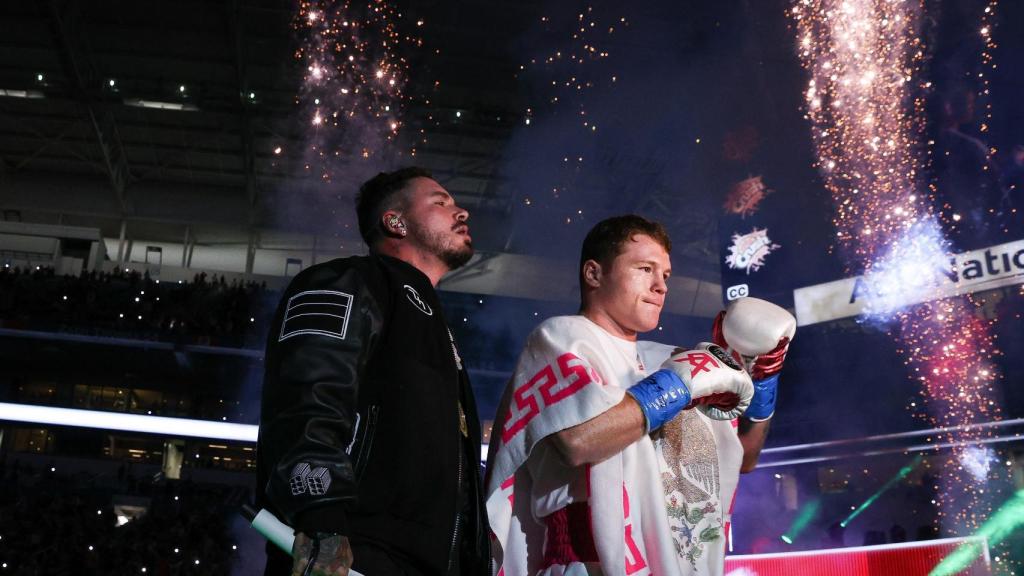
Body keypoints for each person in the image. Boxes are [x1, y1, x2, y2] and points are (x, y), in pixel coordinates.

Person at [485, 215, 793, 576]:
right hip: (587, 564)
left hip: (670, 561)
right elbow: (578, 440)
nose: (660, 286)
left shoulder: (668, 359)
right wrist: (678, 386)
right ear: (594, 274)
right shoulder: (562, 337)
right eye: (645, 269)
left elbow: (742, 456)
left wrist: (762, 383)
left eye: (666, 275)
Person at [257, 167, 490, 576]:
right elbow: (306, 398)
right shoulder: (346, 281)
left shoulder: (439, 329)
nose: (462, 212)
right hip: (356, 553)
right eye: (440, 202)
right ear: (395, 222)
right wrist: (321, 518)